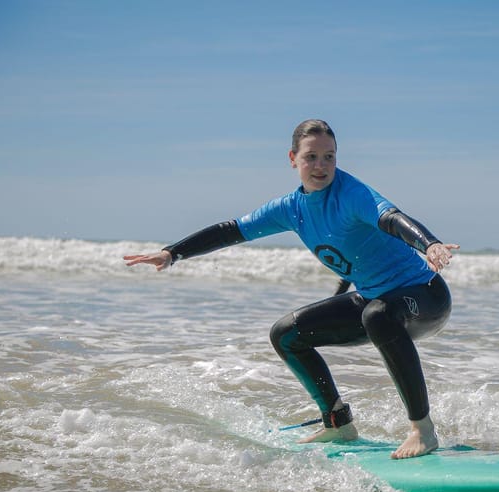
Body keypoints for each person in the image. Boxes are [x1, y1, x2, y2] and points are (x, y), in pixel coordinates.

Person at [124, 119, 458, 459]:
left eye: (329, 157)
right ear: (293, 158)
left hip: (425, 295)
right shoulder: (290, 208)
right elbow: (231, 230)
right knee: (287, 334)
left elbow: (391, 218)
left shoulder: (353, 193)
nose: (321, 166)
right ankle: (337, 422)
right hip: (377, 296)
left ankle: (423, 430)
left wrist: (429, 244)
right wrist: (172, 253)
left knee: (379, 315)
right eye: (311, 157)